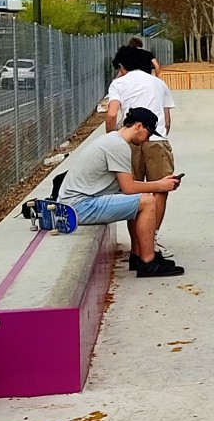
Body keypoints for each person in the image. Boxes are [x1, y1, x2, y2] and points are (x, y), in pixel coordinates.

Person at [59, 106, 184, 277]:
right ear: (138, 126)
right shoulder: (118, 146)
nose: (147, 140)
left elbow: (128, 188)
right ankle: (148, 261)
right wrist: (160, 186)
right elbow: (129, 187)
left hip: (78, 203)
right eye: (148, 134)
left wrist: (159, 184)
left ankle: (138, 255)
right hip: (79, 206)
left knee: (139, 199)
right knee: (148, 202)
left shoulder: (113, 140)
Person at [108, 46, 175, 183]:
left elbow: (112, 114)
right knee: (161, 187)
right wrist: (162, 134)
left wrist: (111, 140)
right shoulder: (159, 83)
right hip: (156, 139)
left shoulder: (117, 84)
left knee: (130, 188)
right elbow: (167, 121)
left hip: (130, 141)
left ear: (122, 66)